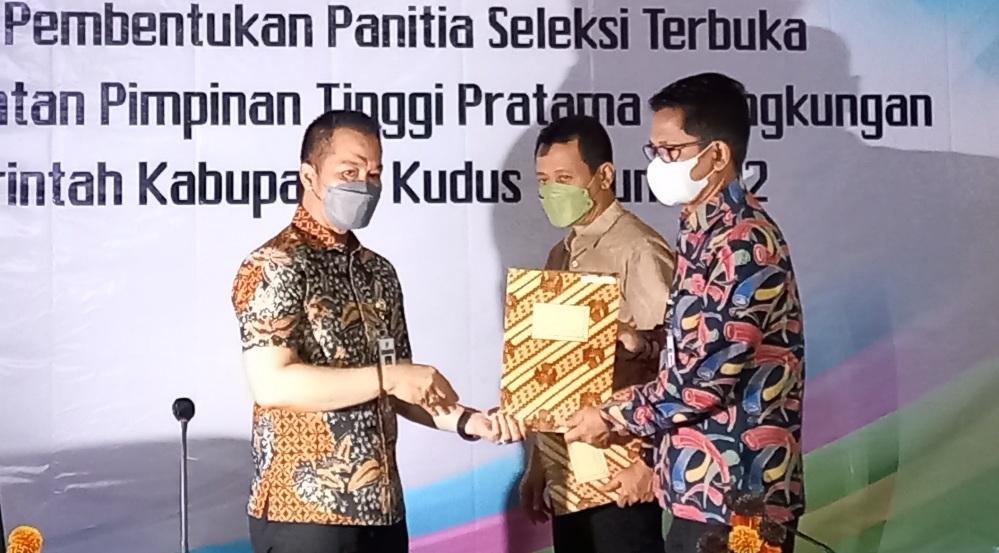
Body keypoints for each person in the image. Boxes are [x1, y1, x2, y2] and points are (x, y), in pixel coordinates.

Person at [231, 110, 524, 553]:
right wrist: (390, 377)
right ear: (309, 176)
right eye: (349, 172)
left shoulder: (378, 274)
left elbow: (400, 389)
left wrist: (470, 421)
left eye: (374, 174)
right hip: (307, 516)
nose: (365, 185)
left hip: (383, 512)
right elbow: (272, 384)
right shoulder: (275, 264)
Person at [563, 73, 806, 553]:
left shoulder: (744, 243)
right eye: (654, 151)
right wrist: (644, 345)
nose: (658, 164)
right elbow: (690, 352)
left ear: (717, 154)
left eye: (671, 150)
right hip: (696, 494)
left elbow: (703, 380)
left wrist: (611, 415)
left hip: (740, 499)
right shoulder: (700, 233)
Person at [518, 115, 676, 553]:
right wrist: (539, 461)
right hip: (570, 470)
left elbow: (675, 365)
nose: (552, 191)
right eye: (543, 181)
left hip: (622, 466)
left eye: (564, 178)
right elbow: (548, 367)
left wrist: (650, 464)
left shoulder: (639, 249)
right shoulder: (560, 254)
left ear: (604, 176)